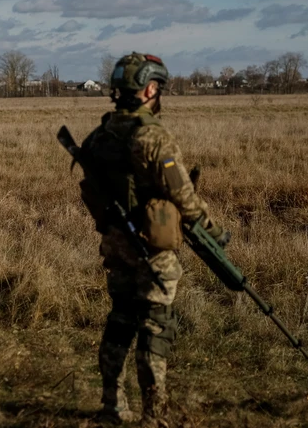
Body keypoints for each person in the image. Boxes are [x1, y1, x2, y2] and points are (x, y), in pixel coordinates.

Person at [76, 53, 230, 427]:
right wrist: (213, 234)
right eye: (157, 87)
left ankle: (112, 406)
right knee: (155, 327)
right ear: (148, 89)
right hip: (152, 249)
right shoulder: (152, 137)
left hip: (115, 243)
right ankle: (154, 415)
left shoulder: (98, 136)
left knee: (119, 321)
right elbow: (184, 198)